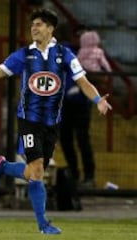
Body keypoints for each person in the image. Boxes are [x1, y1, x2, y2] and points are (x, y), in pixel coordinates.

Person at [0, 8, 112, 234]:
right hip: (29, 121)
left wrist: (97, 100)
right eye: (33, 24)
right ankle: (43, 224)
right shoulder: (24, 55)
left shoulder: (65, 55)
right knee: (36, 171)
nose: (35, 27)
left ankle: (4, 167)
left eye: (40, 24)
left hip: (52, 123)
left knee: (34, 172)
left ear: (51, 29)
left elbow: (82, 81)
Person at [60, 30, 112, 189]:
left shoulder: (93, 53)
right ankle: (74, 175)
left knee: (83, 139)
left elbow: (104, 77)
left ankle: (89, 177)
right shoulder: (64, 50)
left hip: (83, 103)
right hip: (64, 103)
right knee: (65, 139)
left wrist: (85, 72)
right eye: (76, 36)